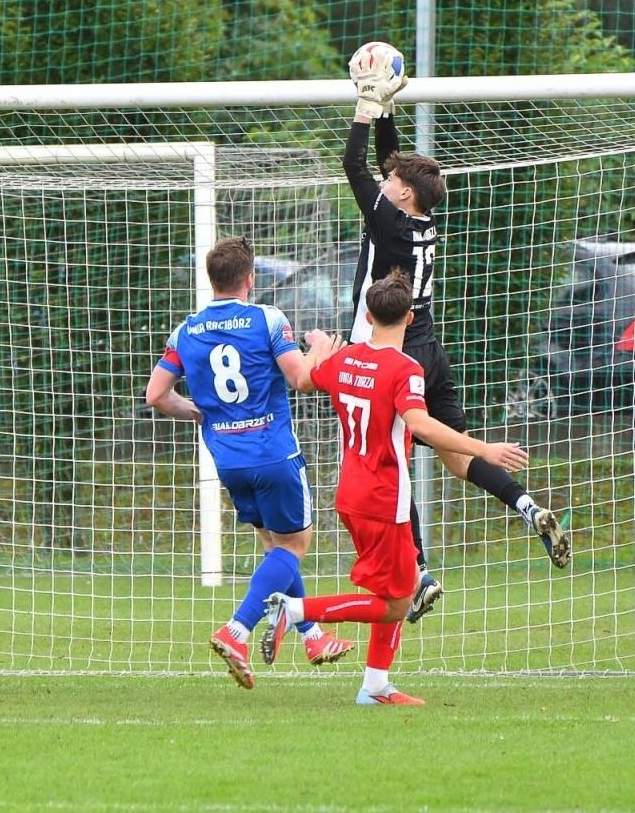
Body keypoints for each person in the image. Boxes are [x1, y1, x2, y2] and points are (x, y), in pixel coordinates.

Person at [344, 49, 570, 625]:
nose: (386, 178)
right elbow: (387, 165)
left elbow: (354, 163)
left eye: (392, 179)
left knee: (388, 459)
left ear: (401, 195)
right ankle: (527, 506)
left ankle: (415, 570)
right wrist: (390, 109)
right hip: (431, 348)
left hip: (396, 353)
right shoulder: (418, 219)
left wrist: (365, 110)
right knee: (454, 457)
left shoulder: (389, 222)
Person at [262, 269, 531, 705]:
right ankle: (295, 611)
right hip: (386, 498)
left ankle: (375, 686)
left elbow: (307, 380)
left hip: (350, 493)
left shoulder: (345, 359)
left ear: (367, 315)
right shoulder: (405, 368)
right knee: (398, 603)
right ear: (409, 319)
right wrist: (483, 448)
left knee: (393, 590)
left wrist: (315, 350)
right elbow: (421, 423)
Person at [145, 235, 353, 689]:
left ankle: (312, 635)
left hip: (228, 460)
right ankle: (237, 630)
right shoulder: (267, 318)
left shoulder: (186, 330)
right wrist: (321, 348)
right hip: (274, 454)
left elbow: (156, 395)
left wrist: (198, 411)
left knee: (275, 548)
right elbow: (301, 379)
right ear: (249, 279)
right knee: (294, 548)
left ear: (211, 279)